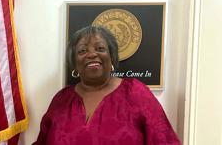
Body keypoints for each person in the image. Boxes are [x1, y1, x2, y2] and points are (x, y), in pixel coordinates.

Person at [33, 25, 181, 145]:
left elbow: (164, 140)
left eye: (100, 48)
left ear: (112, 57)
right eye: (83, 50)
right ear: (74, 63)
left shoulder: (135, 93)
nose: (91, 54)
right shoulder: (62, 99)